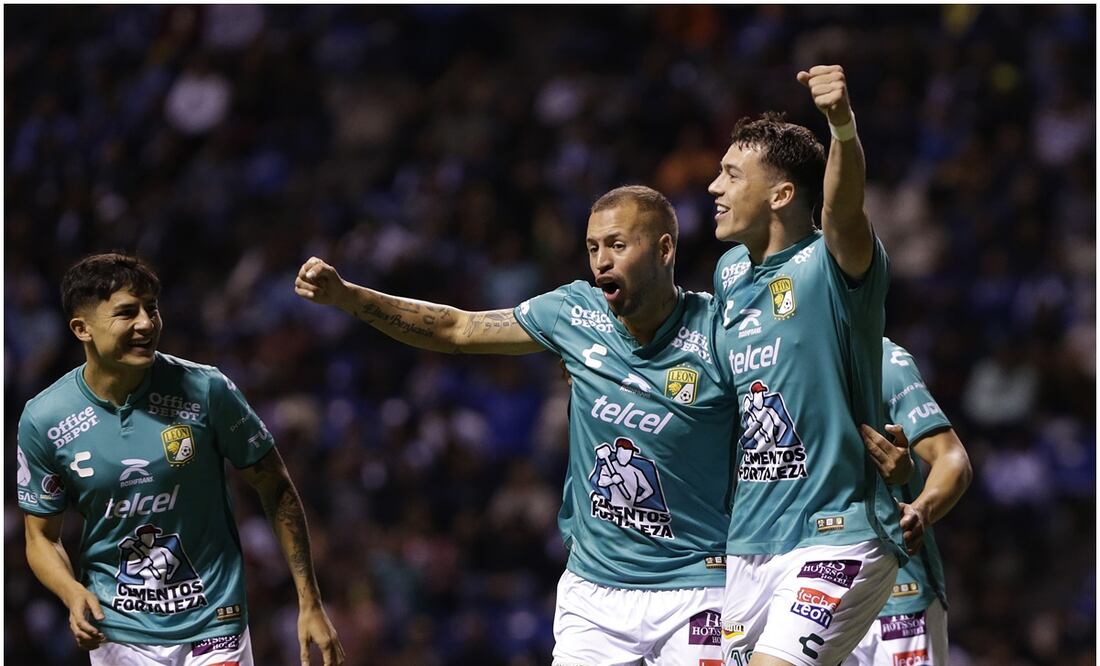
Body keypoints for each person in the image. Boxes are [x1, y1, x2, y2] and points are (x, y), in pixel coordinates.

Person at [296, 185, 739, 665]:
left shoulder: (719, 330)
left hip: (698, 586)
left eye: (616, 245)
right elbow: (457, 330)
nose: (601, 262)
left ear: (664, 249)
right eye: (592, 248)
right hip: (595, 592)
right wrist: (350, 297)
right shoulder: (574, 313)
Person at [17, 253, 345, 666]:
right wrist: (71, 591)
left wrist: (309, 600)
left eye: (151, 308)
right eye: (126, 313)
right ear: (82, 329)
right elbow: (40, 537)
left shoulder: (207, 390)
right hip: (118, 630)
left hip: (215, 621)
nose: (146, 323)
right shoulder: (45, 417)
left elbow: (275, 486)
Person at [708, 65, 906, 665]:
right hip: (749, 542)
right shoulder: (728, 277)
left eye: (731, 175)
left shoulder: (831, 262)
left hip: (837, 530)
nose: (713, 187)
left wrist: (841, 125)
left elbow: (843, 207)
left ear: (781, 194)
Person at [849, 338, 973, 665]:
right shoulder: (772, 364)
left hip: (899, 597)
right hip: (808, 589)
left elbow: (952, 459)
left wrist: (918, 511)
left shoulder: (884, 360)